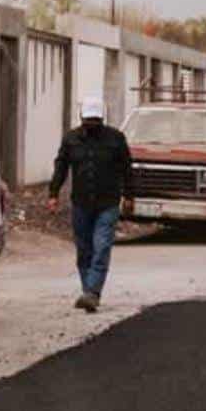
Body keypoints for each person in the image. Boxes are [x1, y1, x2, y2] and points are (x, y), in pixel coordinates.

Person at [48, 97, 134, 313]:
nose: (92, 125)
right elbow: (61, 167)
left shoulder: (116, 139)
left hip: (108, 203)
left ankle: (93, 292)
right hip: (81, 203)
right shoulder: (71, 139)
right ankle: (89, 291)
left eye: (95, 120)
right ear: (82, 118)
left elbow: (127, 169)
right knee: (84, 250)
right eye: (88, 121)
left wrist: (130, 195)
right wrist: (53, 193)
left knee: (102, 245)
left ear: (102, 118)